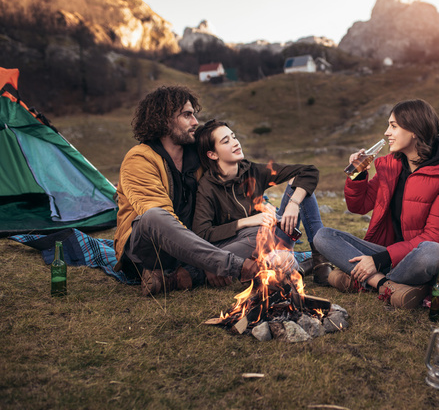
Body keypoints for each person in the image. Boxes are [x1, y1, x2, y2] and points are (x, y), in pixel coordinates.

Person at [314, 99, 439, 308]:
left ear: (414, 130)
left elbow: (437, 236)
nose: (387, 132)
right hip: (386, 252)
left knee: (433, 252)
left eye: (393, 126)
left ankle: (364, 279)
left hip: (414, 257)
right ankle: (385, 284)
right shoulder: (391, 164)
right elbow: (358, 207)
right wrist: (358, 176)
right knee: (323, 236)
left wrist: (378, 260)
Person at [114, 86, 258, 296]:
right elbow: (162, 223)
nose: (195, 122)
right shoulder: (139, 159)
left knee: (262, 232)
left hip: (194, 247)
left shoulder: (198, 156)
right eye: (187, 115)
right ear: (164, 120)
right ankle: (231, 265)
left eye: (194, 115)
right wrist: (215, 258)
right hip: (150, 252)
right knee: (155, 216)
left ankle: (183, 277)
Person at [191, 119, 332, 284]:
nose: (235, 143)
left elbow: (308, 171)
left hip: (270, 237)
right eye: (226, 141)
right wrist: (245, 222)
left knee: (301, 187)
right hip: (241, 246)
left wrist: (293, 204)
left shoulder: (251, 170)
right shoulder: (207, 187)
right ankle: (292, 263)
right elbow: (202, 234)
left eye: (234, 137)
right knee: (260, 236)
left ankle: (320, 263)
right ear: (212, 154)